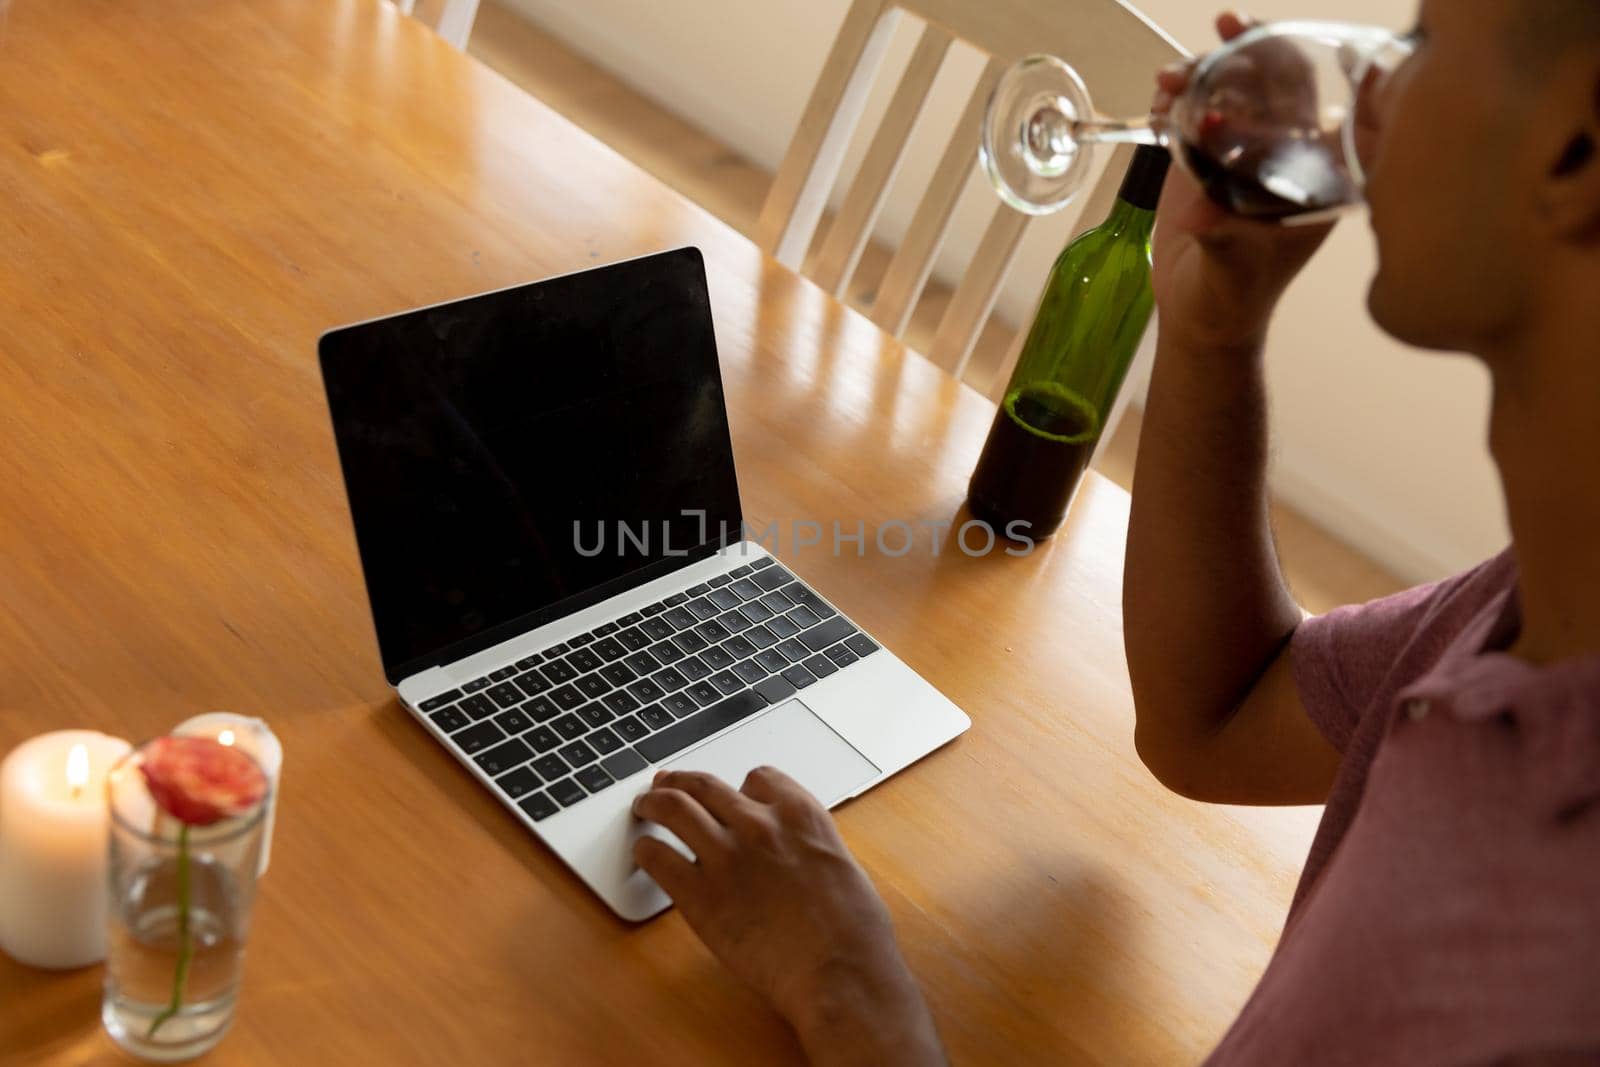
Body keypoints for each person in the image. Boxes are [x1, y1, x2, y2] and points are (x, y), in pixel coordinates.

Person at [629, 1, 1600, 1062]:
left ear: (1573, 150)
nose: (1367, 86)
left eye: (1418, 44)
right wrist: (1211, 323)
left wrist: (850, 991)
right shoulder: (1526, 600)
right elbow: (1214, 716)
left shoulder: (1551, 982)